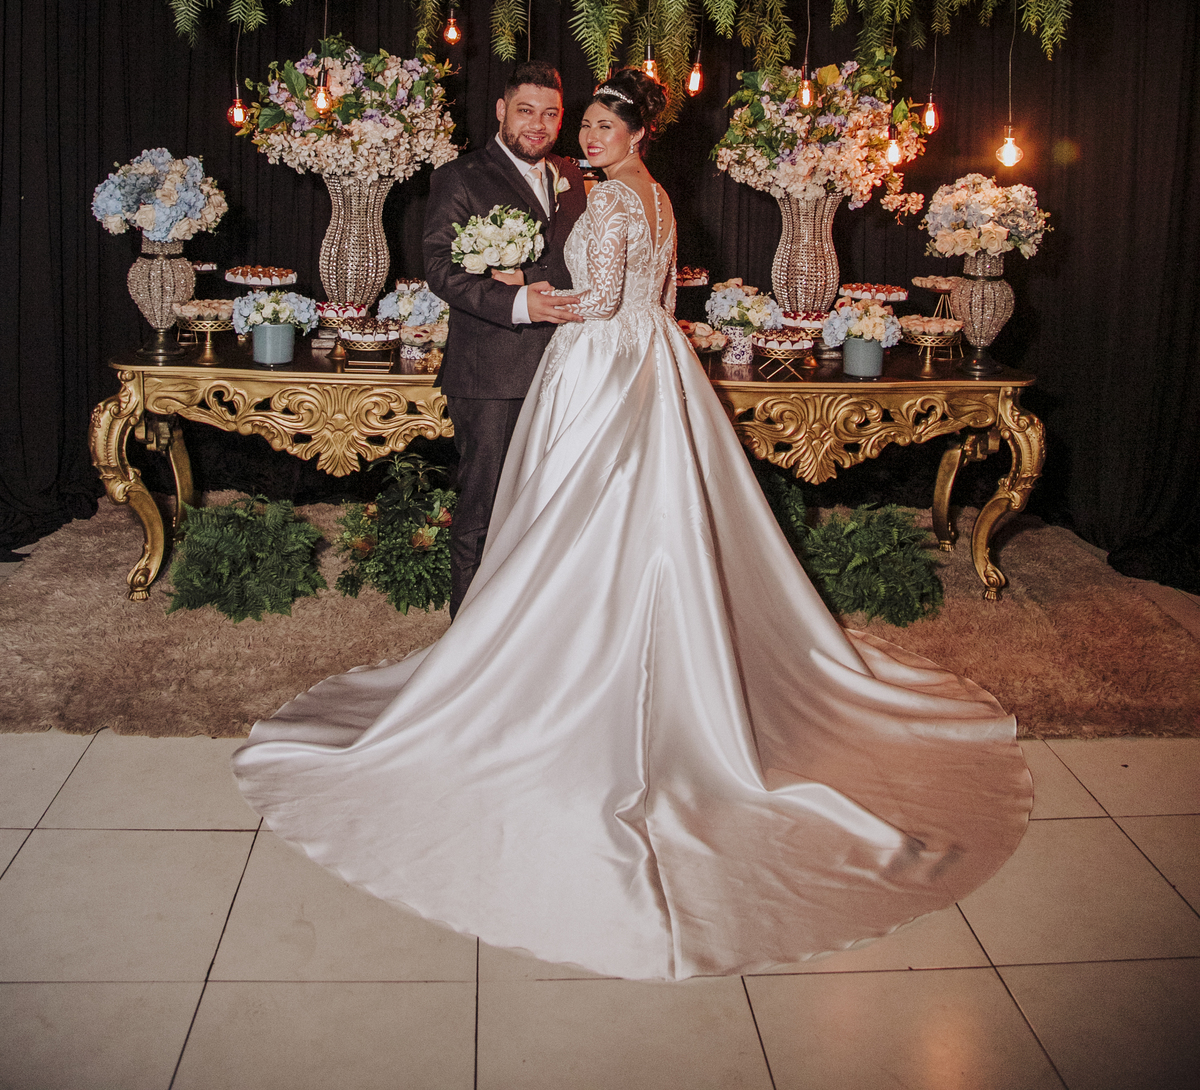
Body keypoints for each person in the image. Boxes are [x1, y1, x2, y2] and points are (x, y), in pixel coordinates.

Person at [233, 68, 1031, 981]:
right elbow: (568, 285)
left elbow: (603, 297)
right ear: (505, 113)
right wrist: (527, 295)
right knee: (588, 520)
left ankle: (524, 679)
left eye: (594, 124)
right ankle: (504, 651)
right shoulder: (614, 191)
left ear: (634, 133)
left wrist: (543, 294)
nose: (576, 134)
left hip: (595, 366)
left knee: (579, 521)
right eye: (566, 120)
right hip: (624, 364)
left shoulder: (607, 193)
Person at [422, 61, 587, 614]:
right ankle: (467, 635)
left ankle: (528, 629)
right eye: (525, 111)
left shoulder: (573, 176)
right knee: (484, 505)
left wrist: (538, 281)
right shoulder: (461, 176)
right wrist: (519, 302)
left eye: (550, 114)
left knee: (551, 505)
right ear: (501, 110)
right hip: (491, 373)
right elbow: (440, 268)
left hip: (567, 365)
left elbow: (583, 261)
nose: (538, 125)